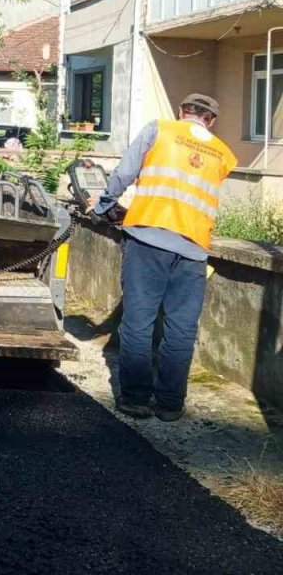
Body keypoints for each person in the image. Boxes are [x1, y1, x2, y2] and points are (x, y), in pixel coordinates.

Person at [92, 93, 237, 422]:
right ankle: (171, 404)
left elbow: (124, 174)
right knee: (182, 329)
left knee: (138, 324)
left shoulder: (159, 129)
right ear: (211, 121)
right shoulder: (223, 153)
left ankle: (136, 400)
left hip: (147, 238)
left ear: (181, 112)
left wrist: (102, 206)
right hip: (194, 249)